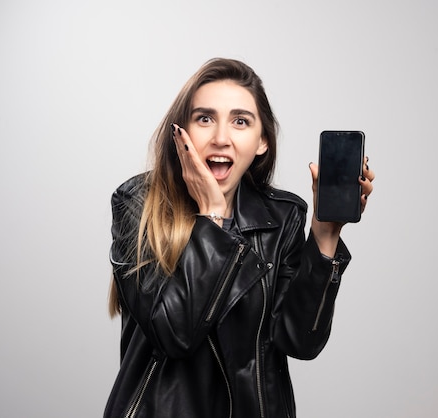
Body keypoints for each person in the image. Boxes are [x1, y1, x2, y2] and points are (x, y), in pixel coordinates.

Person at [104, 58, 375, 418]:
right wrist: (212, 217)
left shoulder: (282, 217)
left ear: (262, 141)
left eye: (240, 121)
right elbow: (174, 334)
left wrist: (324, 237)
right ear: (180, 132)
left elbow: (301, 341)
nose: (221, 138)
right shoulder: (139, 205)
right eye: (205, 118)